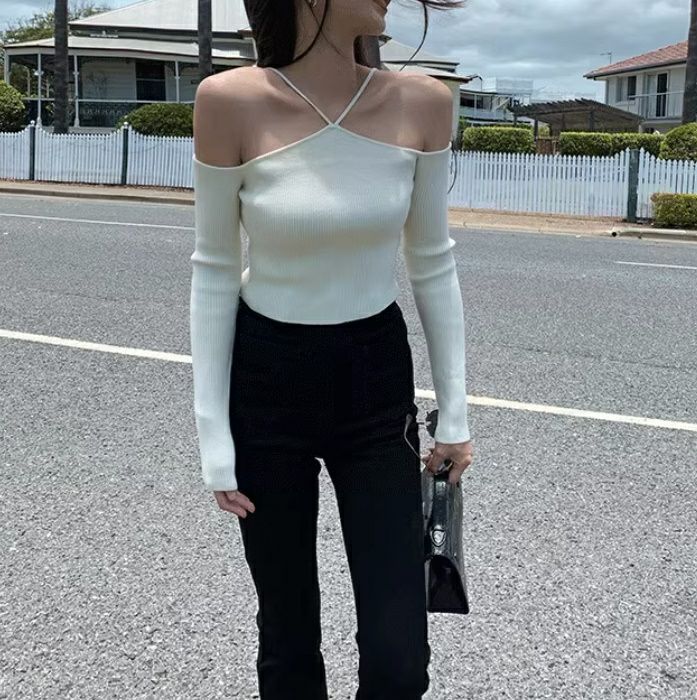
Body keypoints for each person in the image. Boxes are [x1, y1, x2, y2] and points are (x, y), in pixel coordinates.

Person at [189, 0, 473, 697]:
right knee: (287, 636)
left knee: (399, 653)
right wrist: (212, 434)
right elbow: (215, 267)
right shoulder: (228, 101)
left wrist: (456, 415)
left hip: (373, 378)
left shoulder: (424, 103)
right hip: (266, 378)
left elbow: (433, 262)